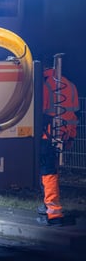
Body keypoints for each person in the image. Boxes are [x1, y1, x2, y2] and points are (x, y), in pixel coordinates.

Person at [38, 59, 80, 225]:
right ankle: (48, 206)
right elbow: (75, 115)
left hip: (47, 135)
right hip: (63, 134)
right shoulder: (70, 85)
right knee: (51, 171)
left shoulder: (45, 84)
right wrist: (70, 136)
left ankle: (53, 212)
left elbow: (40, 112)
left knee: (48, 173)